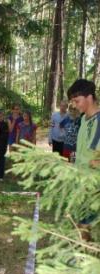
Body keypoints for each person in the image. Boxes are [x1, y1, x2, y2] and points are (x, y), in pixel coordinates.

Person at [67, 78, 100, 240]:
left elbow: (97, 159)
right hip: (79, 183)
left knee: (89, 224)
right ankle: (83, 253)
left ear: (89, 97)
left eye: (77, 100)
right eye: (73, 101)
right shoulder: (83, 120)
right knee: (80, 222)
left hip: (93, 186)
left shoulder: (98, 122)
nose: (75, 105)